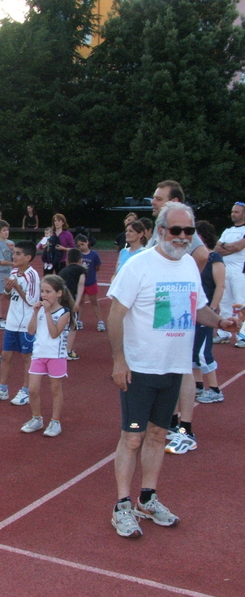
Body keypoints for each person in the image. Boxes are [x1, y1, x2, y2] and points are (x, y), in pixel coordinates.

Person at [107, 202, 237, 538]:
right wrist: (119, 361)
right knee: (132, 437)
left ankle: (147, 499)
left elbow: (198, 311)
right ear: (161, 231)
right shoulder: (139, 266)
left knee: (157, 435)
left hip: (175, 370)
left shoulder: (190, 268)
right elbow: (115, 316)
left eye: (188, 231)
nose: (182, 237)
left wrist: (220, 321)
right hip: (139, 370)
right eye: (176, 230)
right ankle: (122, 505)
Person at [147, 180, 209, 456]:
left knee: (182, 368)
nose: (154, 201)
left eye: (159, 198)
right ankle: (170, 423)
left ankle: (186, 429)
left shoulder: (180, 227)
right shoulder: (160, 227)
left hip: (176, 305)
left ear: (174, 202)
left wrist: (179, 279)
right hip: (158, 309)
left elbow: (203, 255)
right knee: (168, 368)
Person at [0, 241, 40, 405]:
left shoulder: (32, 275)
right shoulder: (15, 271)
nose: (13, 256)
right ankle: (3, 388)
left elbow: (31, 301)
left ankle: (26, 390)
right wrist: (9, 288)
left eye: (17, 253)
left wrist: (16, 285)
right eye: (13, 253)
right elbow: (10, 295)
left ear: (28, 257)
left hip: (26, 324)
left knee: (26, 358)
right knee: (7, 355)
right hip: (12, 321)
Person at [21, 275, 73, 437]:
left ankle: (55, 421)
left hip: (55, 356)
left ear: (58, 293)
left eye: (48, 291)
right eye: (42, 291)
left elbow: (54, 332)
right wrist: (35, 313)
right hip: (38, 355)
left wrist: (48, 312)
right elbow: (30, 330)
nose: (44, 295)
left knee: (55, 389)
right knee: (33, 389)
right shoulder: (40, 310)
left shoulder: (64, 312)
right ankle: (37, 419)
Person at [192, 221, 225, 405]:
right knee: (192, 350)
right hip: (193, 311)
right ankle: (198, 384)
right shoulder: (192, 259)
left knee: (204, 352)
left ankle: (214, 389)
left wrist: (213, 308)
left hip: (206, 310)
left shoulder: (215, 258)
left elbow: (220, 285)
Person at [213, 201, 245, 345]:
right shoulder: (227, 231)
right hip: (226, 269)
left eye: (237, 212)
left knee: (241, 303)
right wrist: (229, 248)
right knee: (224, 302)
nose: (233, 214)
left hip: (241, 269)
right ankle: (223, 333)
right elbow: (216, 248)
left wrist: (226, 247)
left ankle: (242, 335)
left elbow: (238, 247)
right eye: (232, 211)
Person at [58, 249, 85, 361]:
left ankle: (58, 348)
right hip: (70, 299)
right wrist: (77, 302)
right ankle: (68, 351)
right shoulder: (81, 270)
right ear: (80, 260)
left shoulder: (63, 271)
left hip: (60, 299)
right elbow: (81, 284)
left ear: (67, 260)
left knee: (60, 322)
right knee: (73, 325)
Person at [76, 234, 105, 331]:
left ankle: (100, 321)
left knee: (94, 302)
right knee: (80, 302)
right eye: (79, 245)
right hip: (80, 283)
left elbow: (97, 267)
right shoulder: (78, 254)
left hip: (91, 282)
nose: (81, 247)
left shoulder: (94, 255)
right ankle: (78, 321)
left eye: (82, 244)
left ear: (87, 242)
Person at [0, 220, 14, 330]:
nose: (6, 232)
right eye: (4, 230)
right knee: (0, 295)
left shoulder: (11, 243)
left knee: (12, 295)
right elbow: (1, 261)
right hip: (1, 273)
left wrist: (13, 250)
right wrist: (14, 263)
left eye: (7, 230)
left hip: (10, 272)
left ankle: (13, 317)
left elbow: (15, 256)